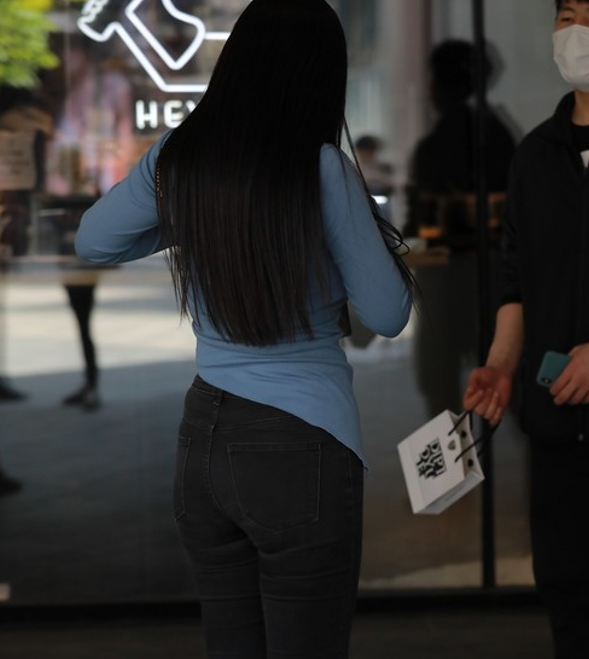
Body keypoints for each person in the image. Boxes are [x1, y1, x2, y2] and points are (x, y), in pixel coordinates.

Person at [75, 1, 414, 656]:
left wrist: (200, 212)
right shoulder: (321, 168)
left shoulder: (181, 156)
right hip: (301, 440)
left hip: (203, 437)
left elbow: (95, 240)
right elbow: (387, 313)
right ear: (320, 77)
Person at [463, 2, 589, 657]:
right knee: (568, 591)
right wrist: (500, 363)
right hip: (556, 422)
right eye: (567, 16)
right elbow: (516, 283)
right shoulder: (534, 156)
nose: (577, 33)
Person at [407, 39, 515, 417]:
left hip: (446, 280)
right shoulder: (500, 134)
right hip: (496, 276)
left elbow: (420, 225)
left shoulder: (436, 146)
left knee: (441, 389)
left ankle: (454, 459)